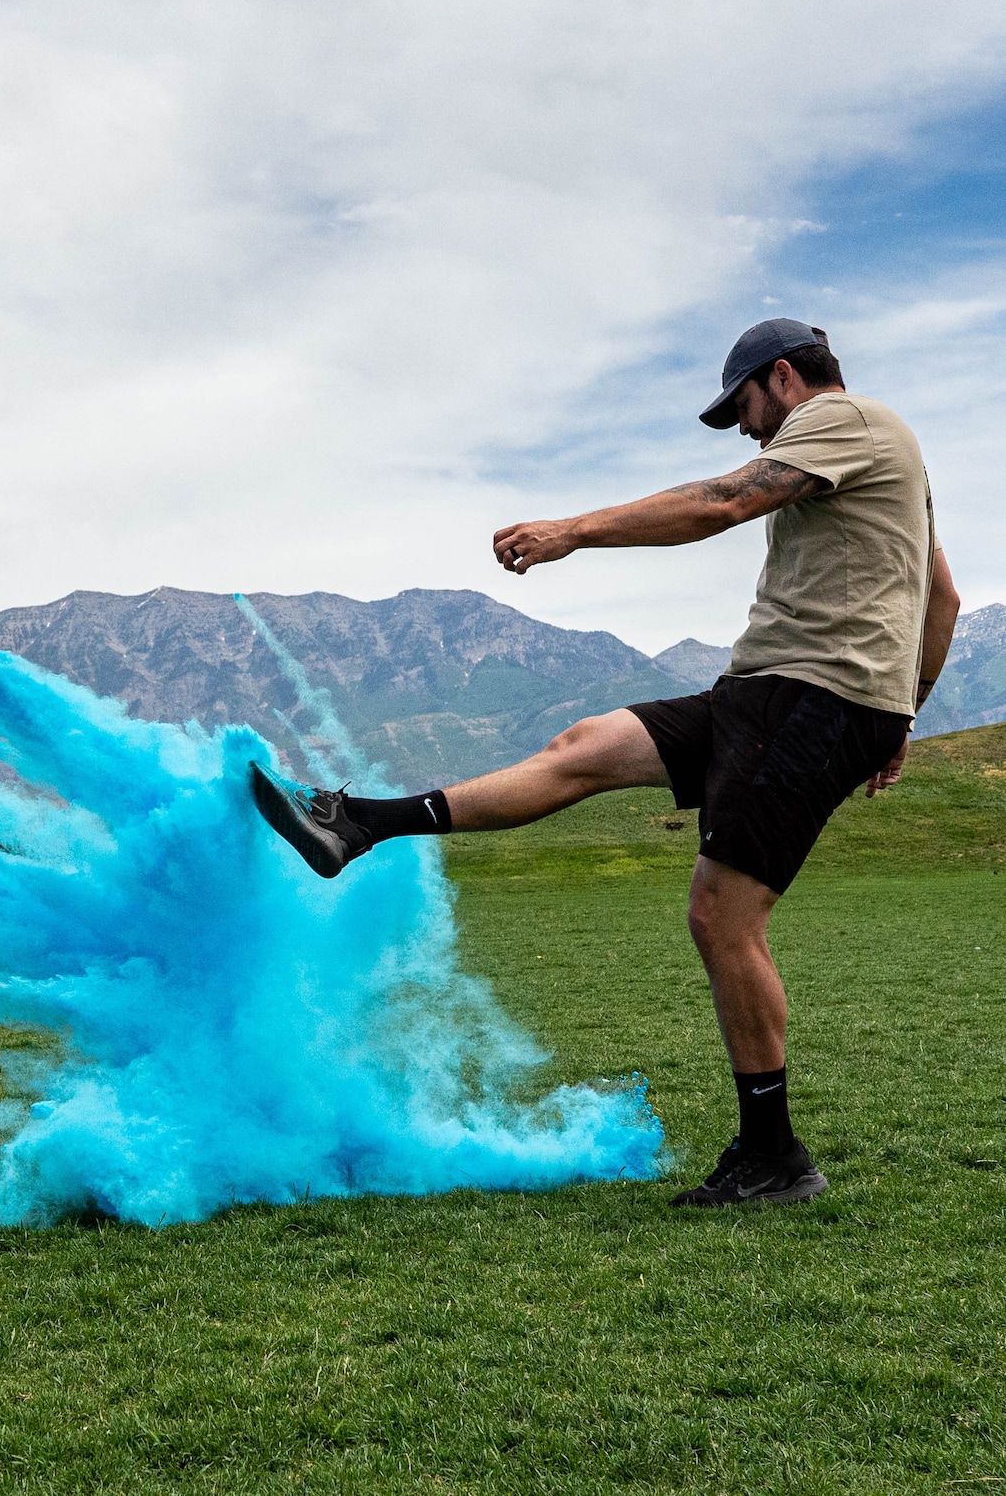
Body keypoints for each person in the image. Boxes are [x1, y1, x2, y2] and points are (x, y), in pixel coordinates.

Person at [251, 318, 961, 1208]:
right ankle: (355, 825)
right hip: (770, 693)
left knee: (722, 917)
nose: (747, 429)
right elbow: (943, 595)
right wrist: (902, 715)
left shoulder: (846, 421)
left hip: (812, 696)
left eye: (742, 406)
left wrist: (572, 532)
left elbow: (724, 502)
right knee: (583, 748)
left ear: (781, 378)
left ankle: (775, 1156)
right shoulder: (891, 462)